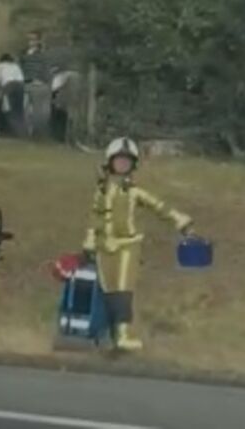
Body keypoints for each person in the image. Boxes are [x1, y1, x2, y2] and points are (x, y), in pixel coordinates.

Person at [82, 137, 195, 351]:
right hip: (104, 246)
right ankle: (108, 335)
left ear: (133, 165)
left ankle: (124, 335)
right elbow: (94, 218)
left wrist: (180, 220)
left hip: (128, 245)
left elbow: (158, 206)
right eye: (119, 161)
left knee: (124, 289)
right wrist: (89, 243)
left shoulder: (135, 191)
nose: (122, 165)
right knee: (109, 291)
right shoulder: (101, 191)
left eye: (127, 161)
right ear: (110, 162)